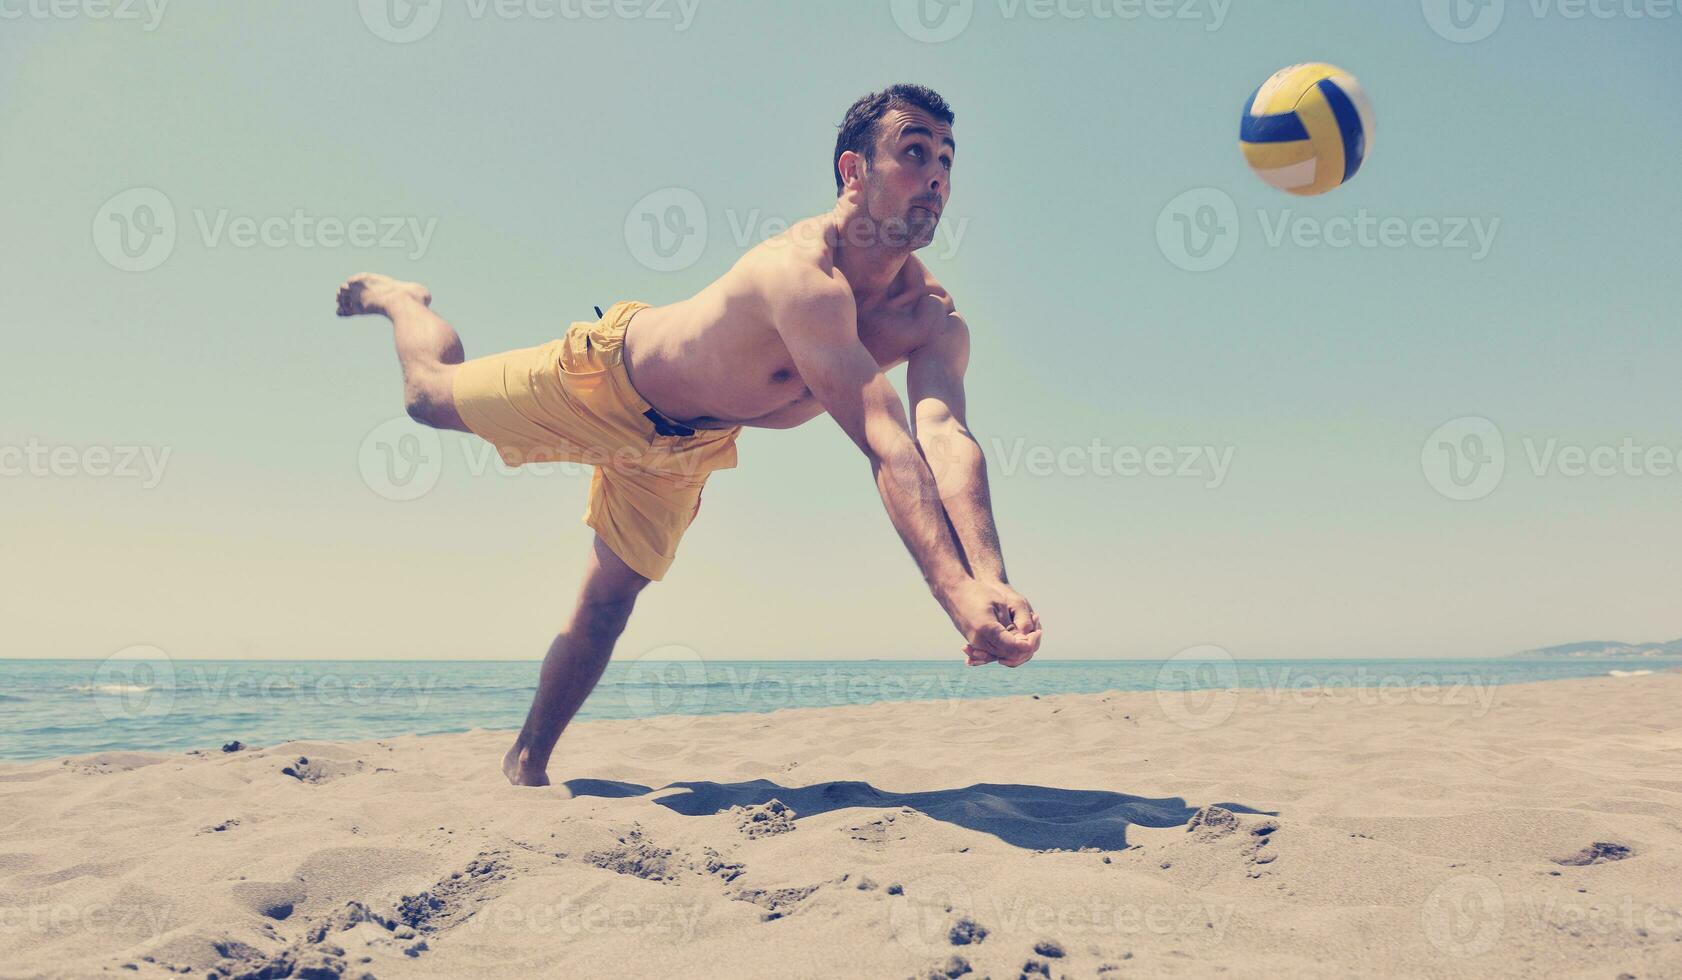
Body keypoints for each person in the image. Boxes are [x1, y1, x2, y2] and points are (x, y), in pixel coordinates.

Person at [336, 84, 1042, 787]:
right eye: (914, 152)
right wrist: (953, 592)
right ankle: (403, 301)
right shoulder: (800, 276)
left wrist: (990, 580)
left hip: (687, 449)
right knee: (426, 398)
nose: (937, 176)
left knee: (609, 600)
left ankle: (526, 764)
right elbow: (887, 438)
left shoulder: (932, 320)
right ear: (853, 171)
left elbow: (943, 435)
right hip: (606, 380)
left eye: (947, 160)